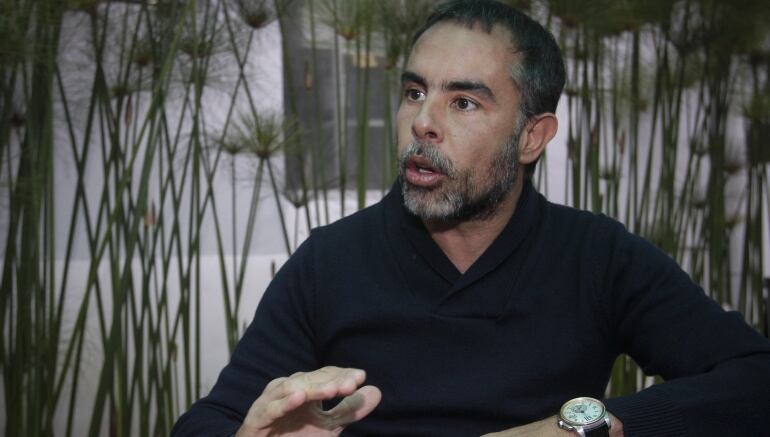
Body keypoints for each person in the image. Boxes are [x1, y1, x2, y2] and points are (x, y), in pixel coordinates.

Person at [172, 1, 770, 436]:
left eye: (463, 102)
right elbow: (208, 420)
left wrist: (579, 427)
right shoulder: (329, 260)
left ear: (532, 136)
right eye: (414, 93)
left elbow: (754, 379)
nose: (422, 123)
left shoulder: (597, 256)